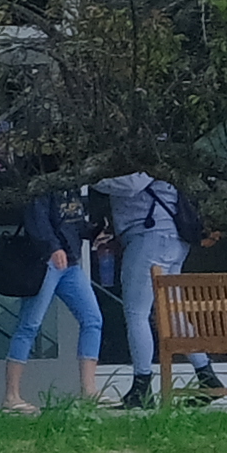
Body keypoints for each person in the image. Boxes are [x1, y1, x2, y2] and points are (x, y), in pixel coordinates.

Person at [86, 162, 193, 407]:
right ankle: (206, 375)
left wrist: (91, 178)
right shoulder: (164, 152)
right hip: (171, 237)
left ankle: (142, 387)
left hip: (149, 237)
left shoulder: (148, 151)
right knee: (172, 312)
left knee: (136, 313)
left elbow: (133, 184)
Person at [4, 170, 110, 411]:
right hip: (46, 262)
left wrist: (94, 231)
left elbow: (72, 224)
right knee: (29, 324)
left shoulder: (70, 185)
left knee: (93, 319)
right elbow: (37, 221)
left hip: (70, 263)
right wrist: (53, 247)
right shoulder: (42, 183)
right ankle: (11, 396)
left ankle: (89, 390)